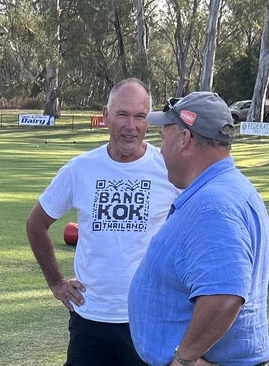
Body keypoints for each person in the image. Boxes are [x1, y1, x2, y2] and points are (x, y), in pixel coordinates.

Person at [25, 78, 179, 366]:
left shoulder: (169, 170)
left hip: (146, 319)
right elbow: (36, 223)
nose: (130, 126)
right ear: (106, 116)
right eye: (122, 114)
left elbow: (196, 232)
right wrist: (56, 282)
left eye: (140, 116)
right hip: (90, 318)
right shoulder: (81, 169)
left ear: (149, 122)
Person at [128, 92, 269, 366]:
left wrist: (184, 359)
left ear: (184, 139)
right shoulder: (228, 189)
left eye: (164, 138)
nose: (160, 149)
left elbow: (225, 295)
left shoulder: (213, 205)